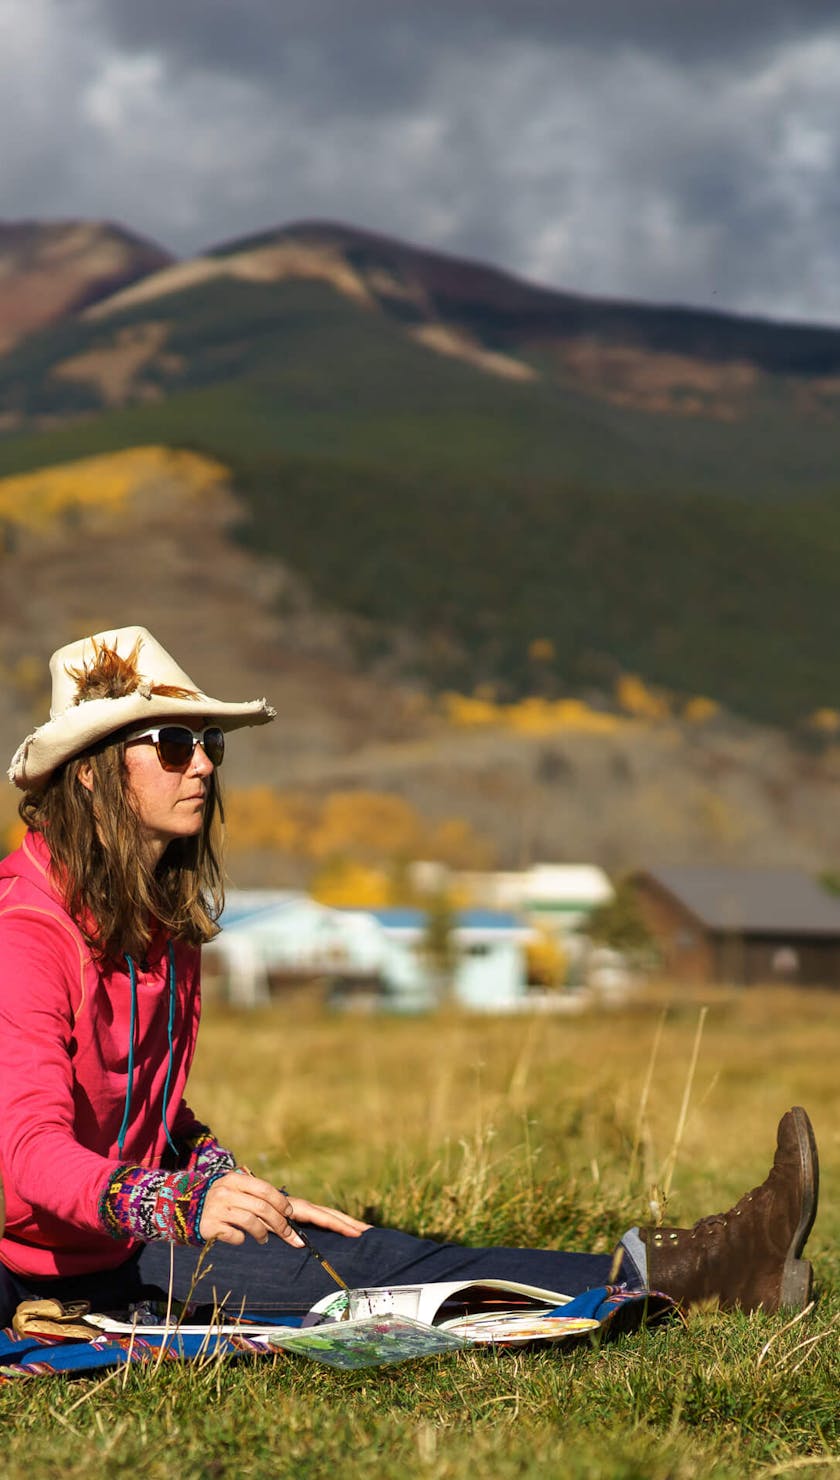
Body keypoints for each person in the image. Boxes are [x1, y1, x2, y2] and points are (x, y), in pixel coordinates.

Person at [0, 626, 820, 1327]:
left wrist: (219, 1177)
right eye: (175, 747)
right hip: (36, 1267)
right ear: (92, 771)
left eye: (208, 745)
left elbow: (139, 1105)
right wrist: (182, 1205)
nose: (205, 768)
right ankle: (706, 1271)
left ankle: (709, 1264)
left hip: (115, 1240)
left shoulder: (160, 925)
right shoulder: (28, 936)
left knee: (371, 1257)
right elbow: (30, 1150)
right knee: (382, 1279)